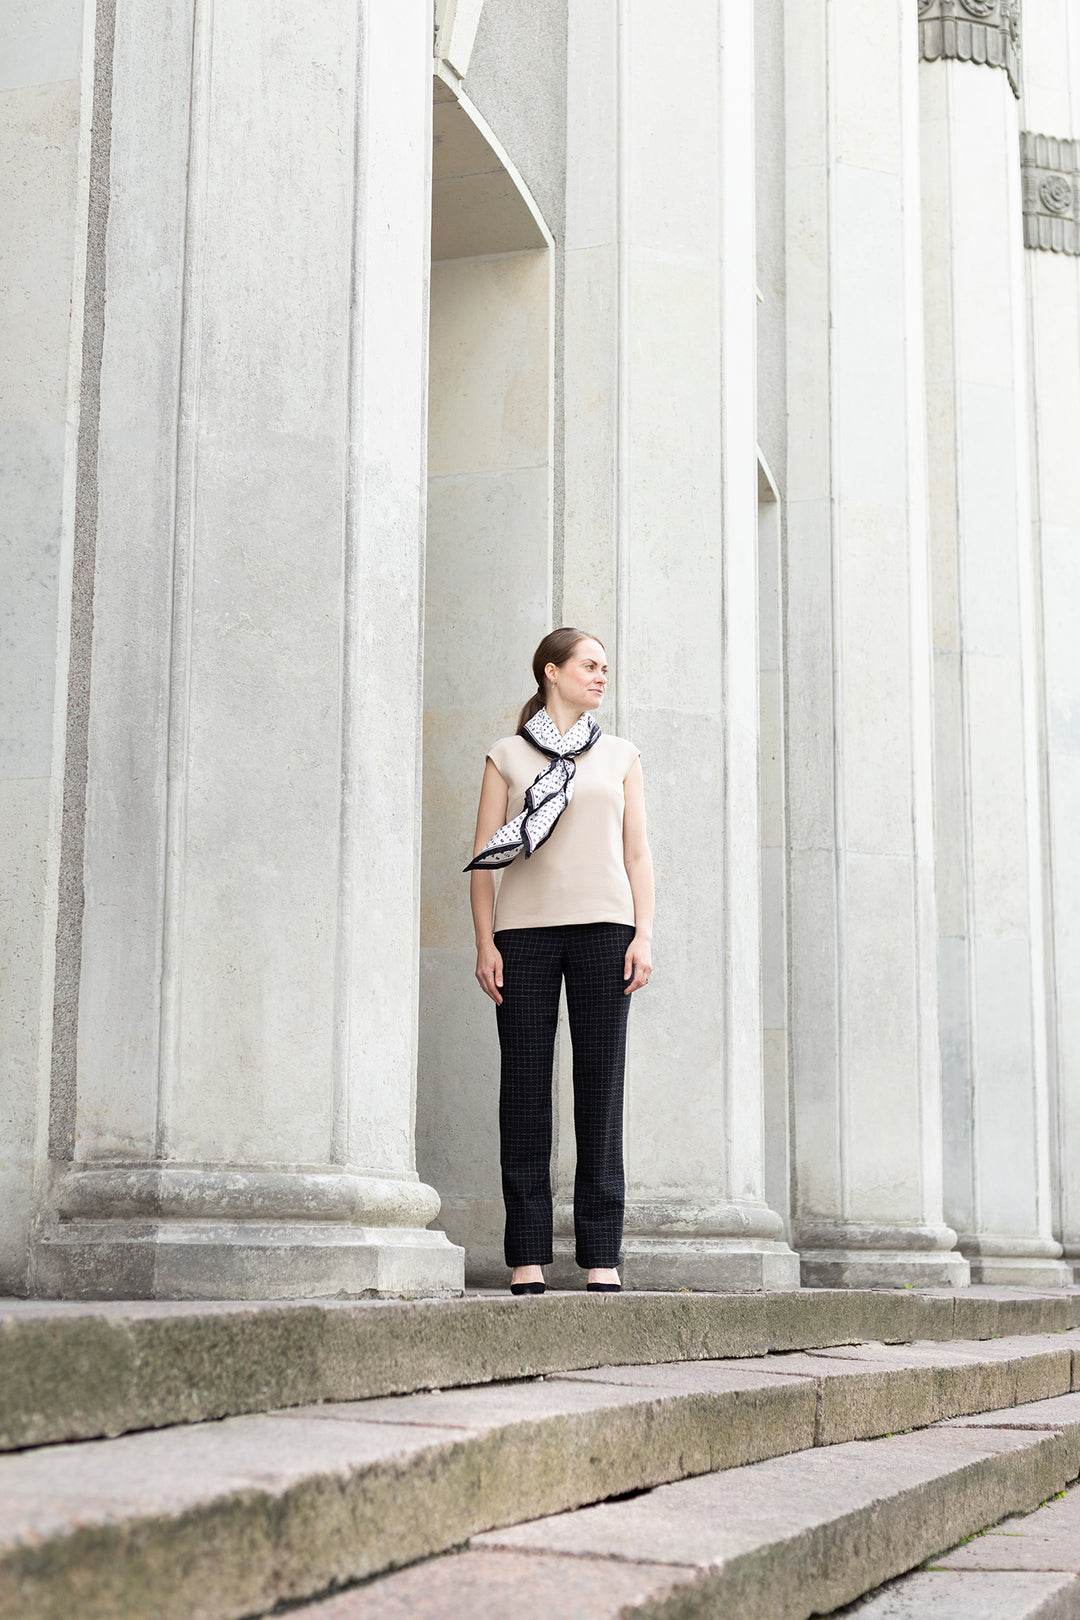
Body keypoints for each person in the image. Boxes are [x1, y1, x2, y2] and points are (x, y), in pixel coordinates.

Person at [465, 627, 654, 1295]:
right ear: (552, 671)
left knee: (600, 1092)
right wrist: (485, 943)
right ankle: (527, 1258)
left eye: (605, 666)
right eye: (590, 665)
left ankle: (601, 1255)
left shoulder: (621, 755)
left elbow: (636, 855)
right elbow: (485, 860)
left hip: (607, 930)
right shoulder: (507, 756)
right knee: (523, 1093)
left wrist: (644, 934)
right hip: (524, 936)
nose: (602, 676)